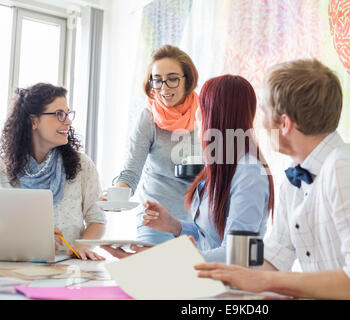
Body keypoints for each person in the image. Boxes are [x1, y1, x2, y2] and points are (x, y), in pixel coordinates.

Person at [195, 59, 350, 300]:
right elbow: (272, 258)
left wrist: (266, 282)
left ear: (285, 123)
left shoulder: (348, 165)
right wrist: (194, 273)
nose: (260, 123)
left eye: (265, 112)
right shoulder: (294, 180)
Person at [102, 74, 274, 262]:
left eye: (203, 108)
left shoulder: (249, 174)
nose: (198, 116)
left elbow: (239, 255)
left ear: (218, 116)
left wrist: (162, 259)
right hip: (210, 280)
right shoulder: (220, 167)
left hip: (232, 286)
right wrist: (175, 226)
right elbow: (210, 236)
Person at [0, 83, 105, 261]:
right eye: (59, 114)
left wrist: (83, 244)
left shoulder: (82, 165)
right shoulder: (3, 168)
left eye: (68, 113)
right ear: (34, 121)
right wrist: (33, 237)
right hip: (16, 266)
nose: (68, 121)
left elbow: (97, 219)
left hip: (69, 265)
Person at [112, 45, 202, 244]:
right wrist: (117, 197)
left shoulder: (206, 112)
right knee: (156, 273)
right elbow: (130, 172)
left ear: (187, 79)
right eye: (158, 80)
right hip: (155, 218)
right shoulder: (148, 117)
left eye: (172, 79)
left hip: (199, 221)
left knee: (193, 275)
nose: (164, 88)